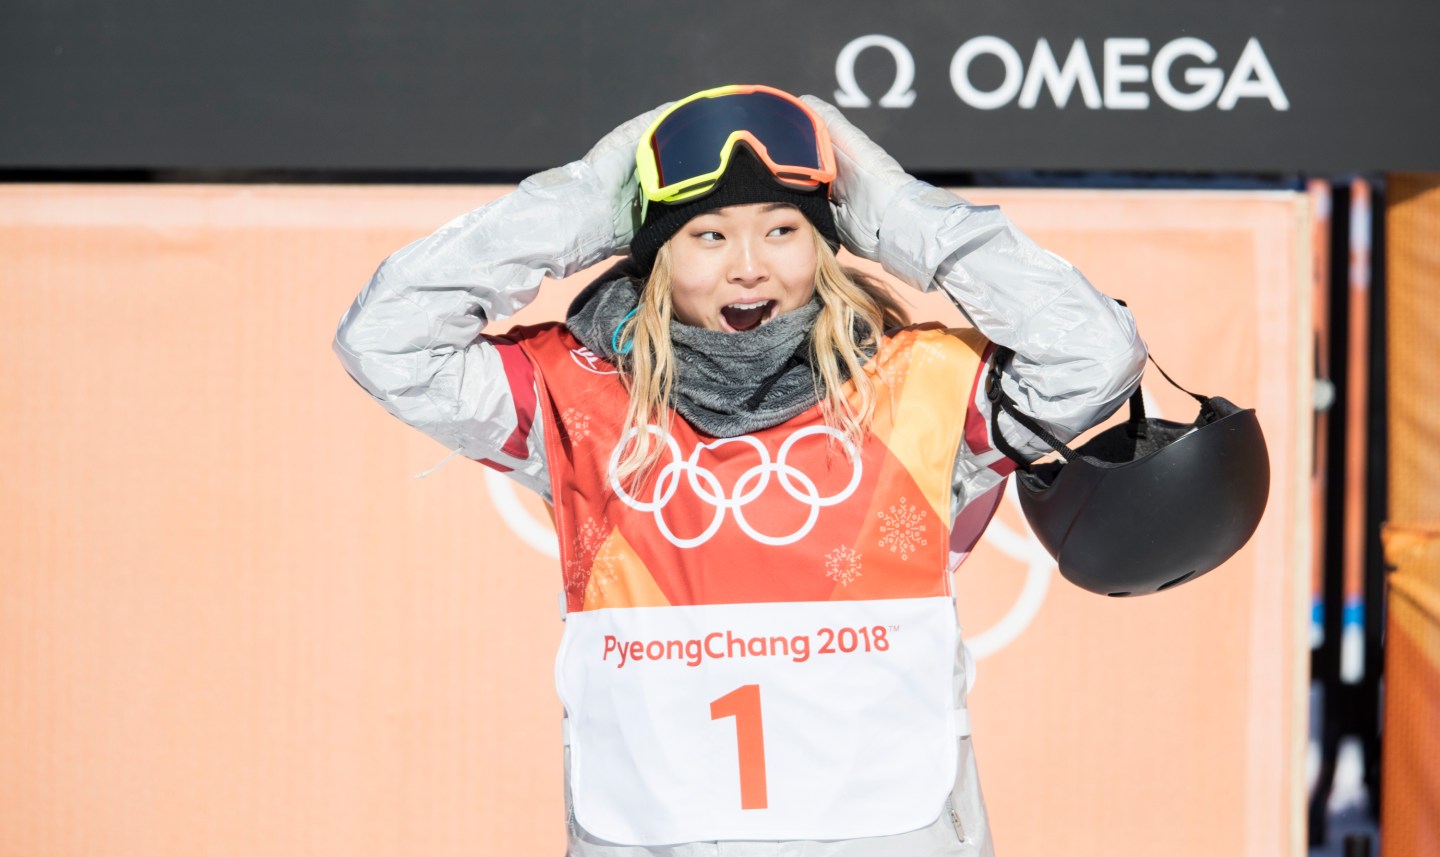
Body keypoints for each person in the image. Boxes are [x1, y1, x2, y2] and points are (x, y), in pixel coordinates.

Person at [334, 85, 1146, 857]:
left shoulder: (920, 384)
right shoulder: (574, 392)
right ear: (652, 249)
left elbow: (1095, 355)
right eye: (709, 234)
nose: (749, 266)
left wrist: (897, 212)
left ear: (830, 243)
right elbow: (386, 338)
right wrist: (580, 204)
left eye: (783, 230)